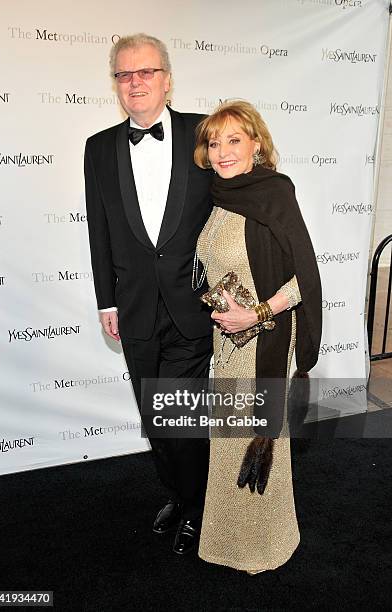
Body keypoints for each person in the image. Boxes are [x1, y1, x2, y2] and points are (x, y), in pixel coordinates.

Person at [84, 33, 214, 555]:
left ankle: (199, 506)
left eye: (146, 72)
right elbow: (99, 229)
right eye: (124, 74)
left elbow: (238, 202)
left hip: (193, 308)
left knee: (176, 417)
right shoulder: (99, 147)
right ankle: (181, 495)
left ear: (166, 78)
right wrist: (105, 300)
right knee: (153, 416)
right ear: (116, 83)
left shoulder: (205, 132)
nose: (135, 82)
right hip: (133, 308)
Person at [193, 100, 322, 573]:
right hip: (227, 344)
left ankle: (264, 545)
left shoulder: (274, 194)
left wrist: (258, 314)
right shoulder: (220, 197)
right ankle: (228, 540)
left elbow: (304, 278)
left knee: (258, 438)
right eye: (214, 142)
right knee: (228, 440)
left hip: (262, 340)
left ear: (256, 144)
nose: (223, 151)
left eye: (234, 140)